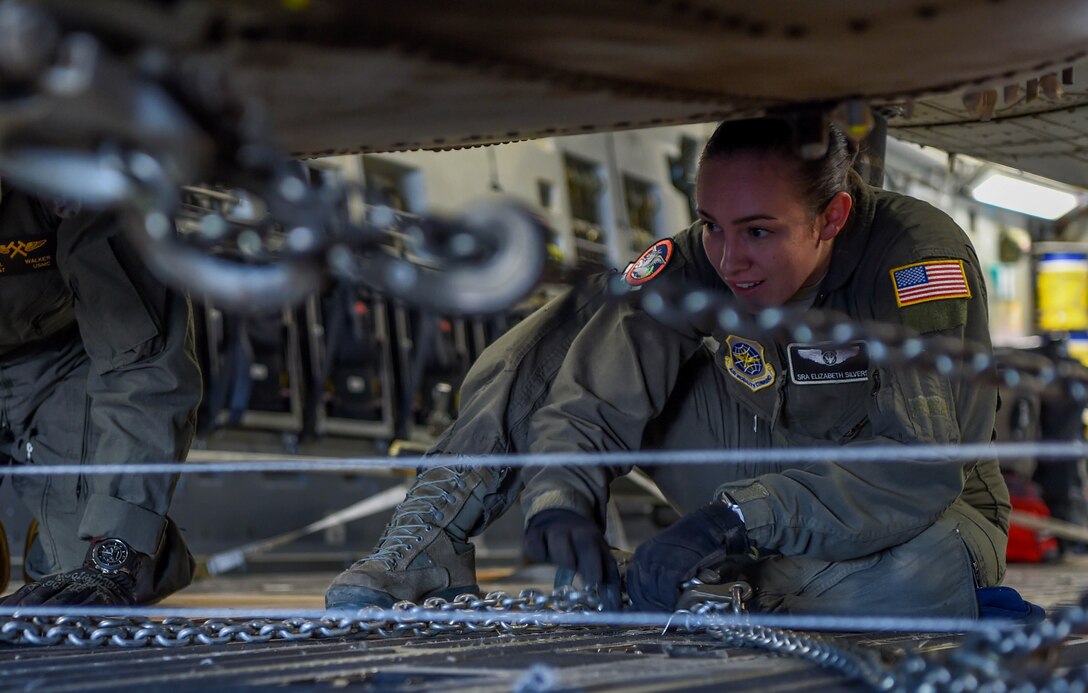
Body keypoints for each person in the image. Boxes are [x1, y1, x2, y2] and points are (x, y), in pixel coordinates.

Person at [326, 116, 1010, 618]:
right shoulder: (698, 259)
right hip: (751, 479)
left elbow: (922, 464)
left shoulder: (916, 259)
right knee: (587, 312)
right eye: (711, 222)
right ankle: (426, 542)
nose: (727, 257)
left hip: (916, 505)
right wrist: (561, 498)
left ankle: (736, 586)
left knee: (912, 579)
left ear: (831, 217)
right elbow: (587, 396)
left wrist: (734, 519)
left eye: (758, 231)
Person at [0, 183, 200, 606]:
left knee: (96, 579)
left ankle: (71, 514)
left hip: (59, 364)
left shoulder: (75, 169)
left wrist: (118, 547)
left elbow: (143, 362)